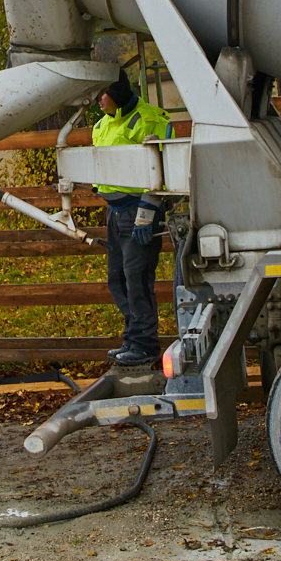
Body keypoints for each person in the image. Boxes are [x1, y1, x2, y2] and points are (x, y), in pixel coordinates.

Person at [94, 69, 174, 367]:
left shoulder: (149, 120)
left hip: (138, 209)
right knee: (117, 278)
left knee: (137, 278)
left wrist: (148, 211)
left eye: (102, 94)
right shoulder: (102, 124)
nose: (98, 101)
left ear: (115, 93)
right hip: (114, 212)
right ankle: (133, 337)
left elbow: (164, 165)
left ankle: (145, 343)